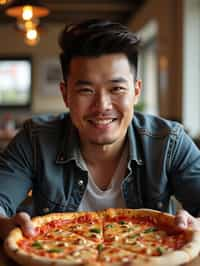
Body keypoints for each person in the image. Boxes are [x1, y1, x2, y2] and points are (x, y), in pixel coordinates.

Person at [0, 19, 200, 240]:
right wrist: (3, 224)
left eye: (117, 89)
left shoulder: (169, 142)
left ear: (136, 91)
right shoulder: (34, 140)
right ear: (65, 94)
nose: (102, 106)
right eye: (86, 90)